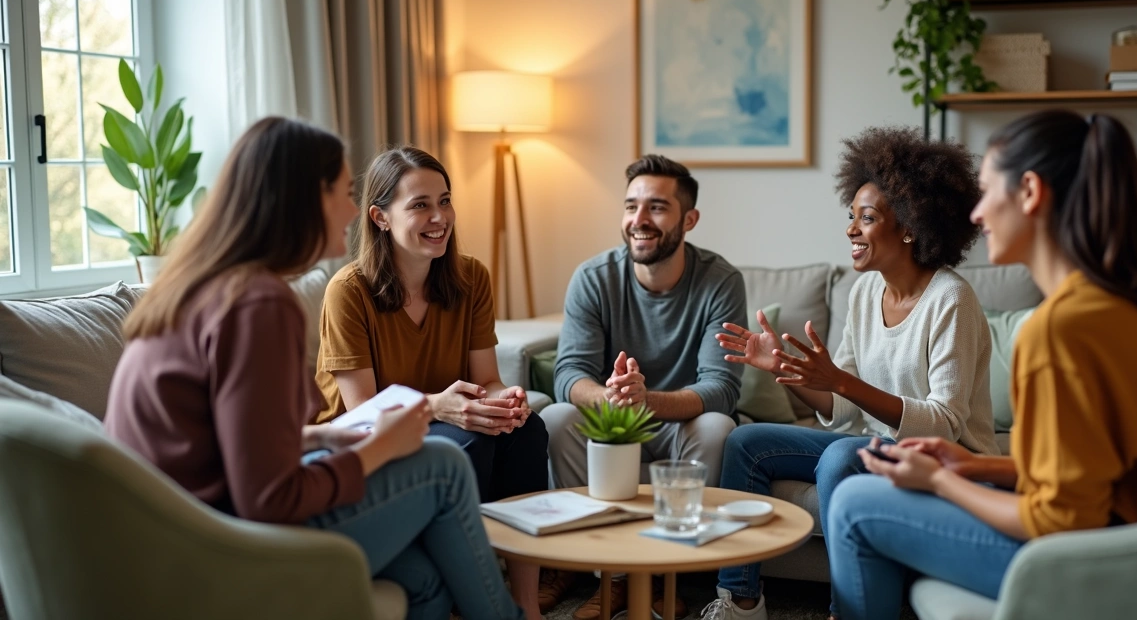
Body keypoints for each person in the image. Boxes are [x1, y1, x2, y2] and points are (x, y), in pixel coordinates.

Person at [104, 117, 524, 620]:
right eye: (342, 193)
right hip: (213, 544)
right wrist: (380, 447)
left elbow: (233, 442)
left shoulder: (206, 284)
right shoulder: (258, 304)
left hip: (175, 530)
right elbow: (268, 497)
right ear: (300, 201)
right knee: (443, 464)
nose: (352, 211)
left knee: (425, 583)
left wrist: (323, 438)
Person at [828, 110, 1137, 620]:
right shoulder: (1134, 306)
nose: (977, 213)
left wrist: (942, 483)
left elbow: (1058, 519)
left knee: (854, 504)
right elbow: (1094, 472)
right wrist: (971, 465)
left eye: (988, 192)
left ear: (1030, 191)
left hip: (1108, 568)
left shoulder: (1057, 331)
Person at [702, 127, 1000, 620]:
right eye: (851, 217)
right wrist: (788, 370)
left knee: (843, 455)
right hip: (874, 444)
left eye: (867, 218)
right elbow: (841, 407)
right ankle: (741, 601)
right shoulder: (864, 294)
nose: (851, 231)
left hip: (945, 457)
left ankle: (846, 609)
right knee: (745, 441)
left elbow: (945, 423)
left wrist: (842, 382)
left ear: (909, 227)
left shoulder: (951, 299)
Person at [313, 146, 548, 619]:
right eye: (420, 205)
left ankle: (527, 602)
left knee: (527, 430)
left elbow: (487, 379)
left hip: (450, 422)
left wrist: (506, 400)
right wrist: (438, 406)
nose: (439, 217)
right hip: (367, 439)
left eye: (444, 201)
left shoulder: (471, 277)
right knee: (465, 444)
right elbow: (362, 409)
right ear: (380, 217)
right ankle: (468, 595)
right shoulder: (349, 291)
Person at [541, 154, 747, 619]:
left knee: (717, 427)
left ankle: (662, 571)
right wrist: (613, 397)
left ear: (689, 220)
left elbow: (721, 388)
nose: (639, 220)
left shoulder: (720, 281)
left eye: (657, 207)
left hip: (680, 423)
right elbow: (568, 375)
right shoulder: (593, 278)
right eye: (631, 206)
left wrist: (644, 400)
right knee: (556, 418)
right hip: (615, 420)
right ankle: (609, 574)